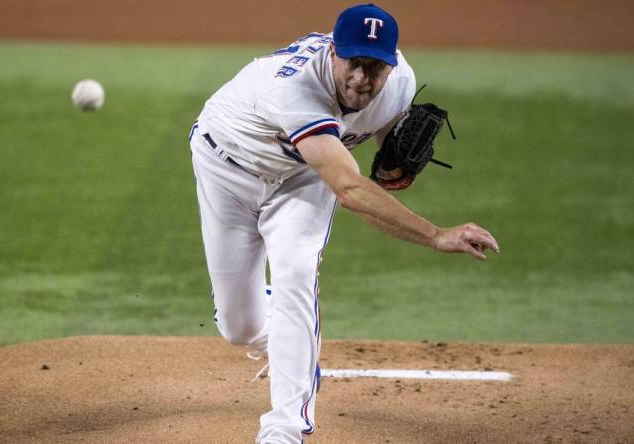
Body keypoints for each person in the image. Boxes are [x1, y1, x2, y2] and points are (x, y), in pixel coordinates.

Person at [188, 4, 499, 443]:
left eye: (375, 67)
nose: (361, 79)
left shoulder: (398, 84)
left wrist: (391, 157)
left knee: (297, 272)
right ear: (334, 53)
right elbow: (350, 190)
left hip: (301, 179)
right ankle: (285, 338)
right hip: (227, 168)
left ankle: (285, 427)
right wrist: (435, 235)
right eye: (353, 63)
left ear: (392, 65)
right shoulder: (291, 91)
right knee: (238, 326)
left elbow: (378, 148)